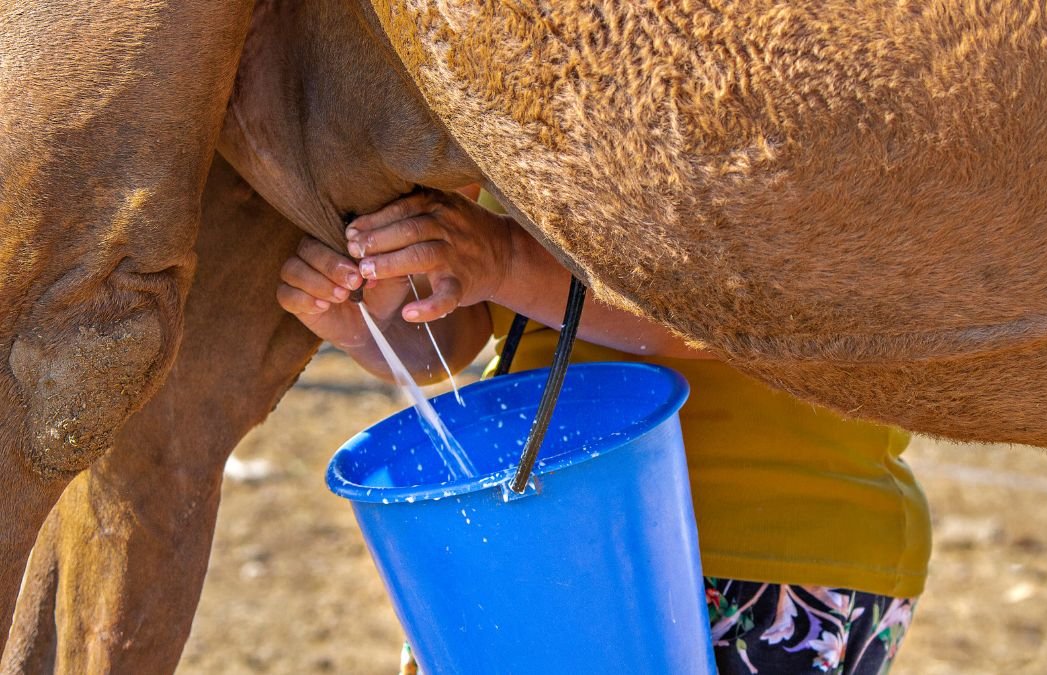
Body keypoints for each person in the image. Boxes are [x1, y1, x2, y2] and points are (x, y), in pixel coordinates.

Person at [277, 186, 931, 674]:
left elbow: (775, 305)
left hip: (760, 553)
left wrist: (505, 256)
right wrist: (377, 320)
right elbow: (470, 325)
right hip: (520, 545)